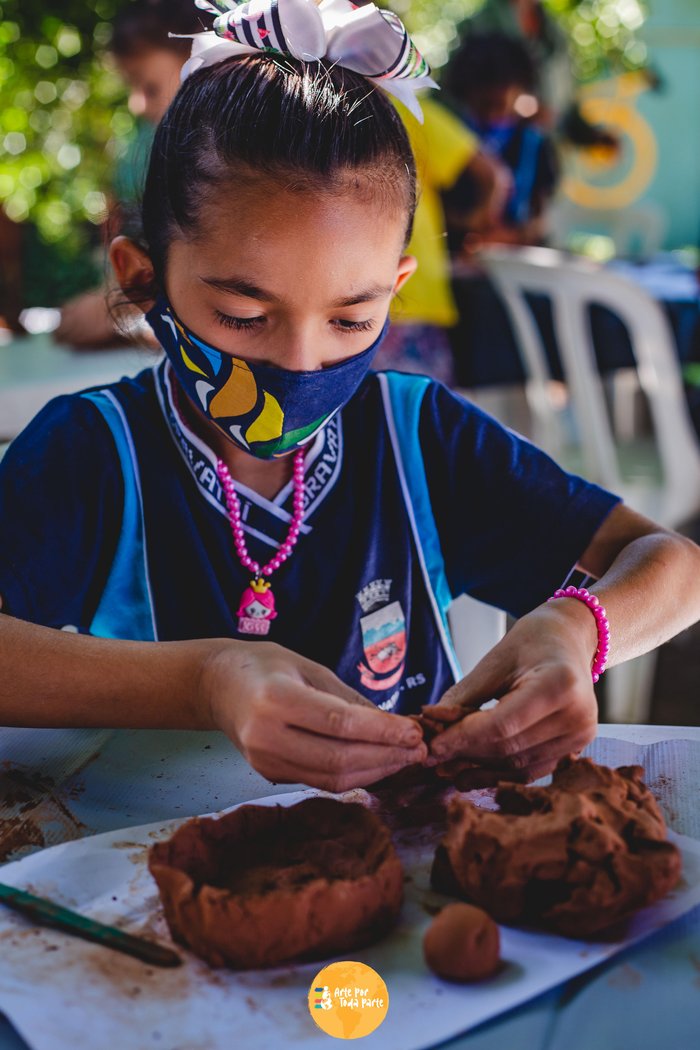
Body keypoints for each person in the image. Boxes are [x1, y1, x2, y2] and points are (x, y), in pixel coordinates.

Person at [2, 1, 699, 794]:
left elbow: (675, 564)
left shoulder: (420, 437)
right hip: (143, 891)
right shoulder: (92, 455)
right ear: (141, 276)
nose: (303, 363)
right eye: (243, 315)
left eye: (351, 317)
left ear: (395, 290)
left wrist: (577, 629)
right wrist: (203, 683)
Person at [55, 0, 211, 349]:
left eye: (150, 86)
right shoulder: (145, 147)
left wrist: (121, 308)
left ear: (200, 60)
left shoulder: (232, 160)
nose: (136, 105)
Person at [371, 95, 511, 385]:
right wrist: (480, 225)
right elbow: (495, 175)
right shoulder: (405, 105)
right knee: (416, 420)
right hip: (413, 294)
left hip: (355, 299)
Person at [442, 32, 558, 250]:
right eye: (483, 106)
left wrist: (513, 236)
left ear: (520, 91)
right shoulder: (450, 137)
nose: (491, 116)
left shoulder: (535, 145)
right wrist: (467, 228)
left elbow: (540, 218)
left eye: (499, 105)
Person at [460, 0, 619, 149]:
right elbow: (470, 89)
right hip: (489, 146)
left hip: (539, 152)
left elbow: (565, 109)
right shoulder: (484, 24)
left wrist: (592, 136)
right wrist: (520, 106)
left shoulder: (554, 33)